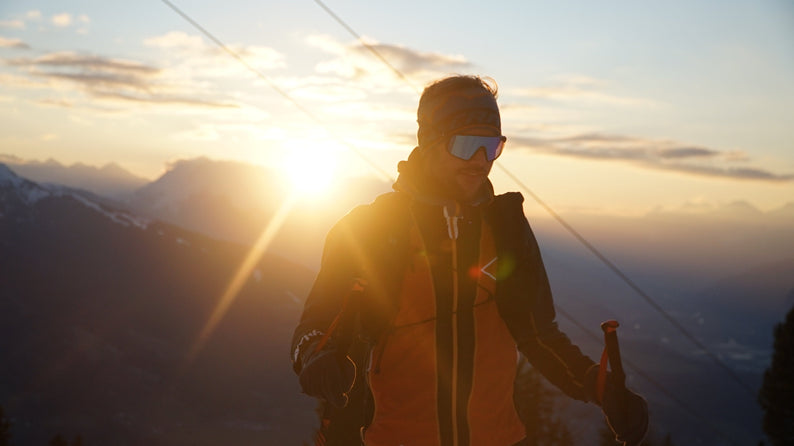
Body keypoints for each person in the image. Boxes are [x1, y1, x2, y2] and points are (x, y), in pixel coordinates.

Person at [291, 75, 648, 446]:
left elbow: (539, 335)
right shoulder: (371, 229)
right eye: (466, 144)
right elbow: (314, 328)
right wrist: (317, 358)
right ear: (428, 143)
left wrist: (599, 386)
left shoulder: (506, 229)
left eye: (491, 145)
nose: (481, 161)